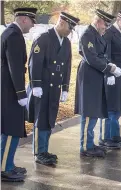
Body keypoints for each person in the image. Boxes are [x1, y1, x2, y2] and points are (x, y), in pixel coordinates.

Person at [27, 12, 79, 165]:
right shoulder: (44, 38)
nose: (70, 31)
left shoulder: (66, 42)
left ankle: (44, 150)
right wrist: (35, 84)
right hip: (42, 87)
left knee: (49, 119)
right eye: (69, 28)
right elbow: (34, 64)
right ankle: (38, 152)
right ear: (62, 22)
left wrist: (65, 88)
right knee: (40, 119)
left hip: (55, 87)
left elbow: (67, 67)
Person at [74, 9, 121, 158]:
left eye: (108, 25)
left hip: (96, 75)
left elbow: (102, 55)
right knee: (89, 112)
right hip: (89, 76)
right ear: (97, 21)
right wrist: (110, 68)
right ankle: (85, 146)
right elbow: (92, 58)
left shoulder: (97, 35)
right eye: (105, 24)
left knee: (94, 110)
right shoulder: (88, 35)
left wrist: (109, 68)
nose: (106, 27)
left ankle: (90, 143)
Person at [1, 7, 37, 182]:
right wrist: (21, 93)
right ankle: (4, 168)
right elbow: (14, 67)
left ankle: (8, 163)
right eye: (32, 22)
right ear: (24, 19)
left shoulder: (10, 33)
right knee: (10, 130)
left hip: (7, 90)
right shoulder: (14, 35)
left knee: (11, 129)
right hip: (10, 92)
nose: (32, 26)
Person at [99, 11, 121, 149]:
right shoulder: (109, 32)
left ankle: (114, 135)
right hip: (113, 75)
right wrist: (109, 73)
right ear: (118, 19)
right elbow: (106, 54)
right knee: (111, 108)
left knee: (119, 106)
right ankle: (106, 137)